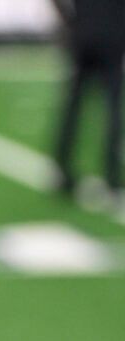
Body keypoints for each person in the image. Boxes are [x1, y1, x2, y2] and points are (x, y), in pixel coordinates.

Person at [53, 0, 125, 198]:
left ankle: (62, 169)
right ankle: (112, 176)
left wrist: (72, 21)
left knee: (73, 106)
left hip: (84, 33)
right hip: (112, 36)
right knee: (112, 107)